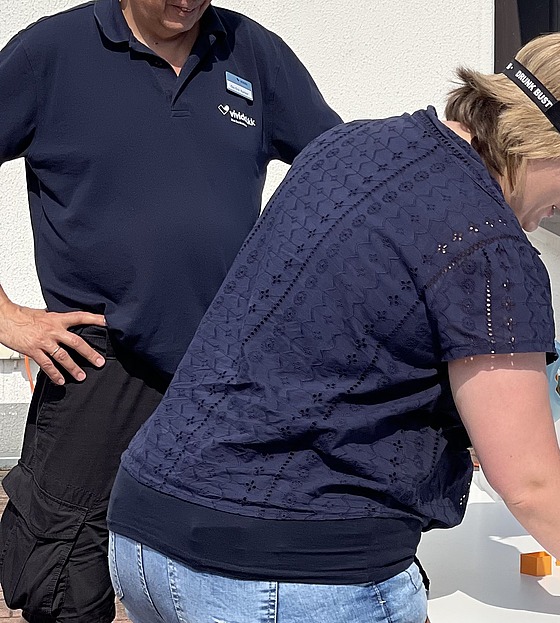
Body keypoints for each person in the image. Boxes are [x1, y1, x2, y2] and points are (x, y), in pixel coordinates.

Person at [105, 32, 560, 622]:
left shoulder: (354, 145)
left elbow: (329, 345)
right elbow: (529, 483)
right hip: (284, 574)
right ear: (549, 143)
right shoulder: (491, 246)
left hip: (144, 536)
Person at [0, 1, 340, 620]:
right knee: (65, 569)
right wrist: (7, 318)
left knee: (233, 560)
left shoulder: (251, 51)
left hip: (226, 364)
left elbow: (338, 171)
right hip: (98, 356)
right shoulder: (52, 52)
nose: (186, 2)